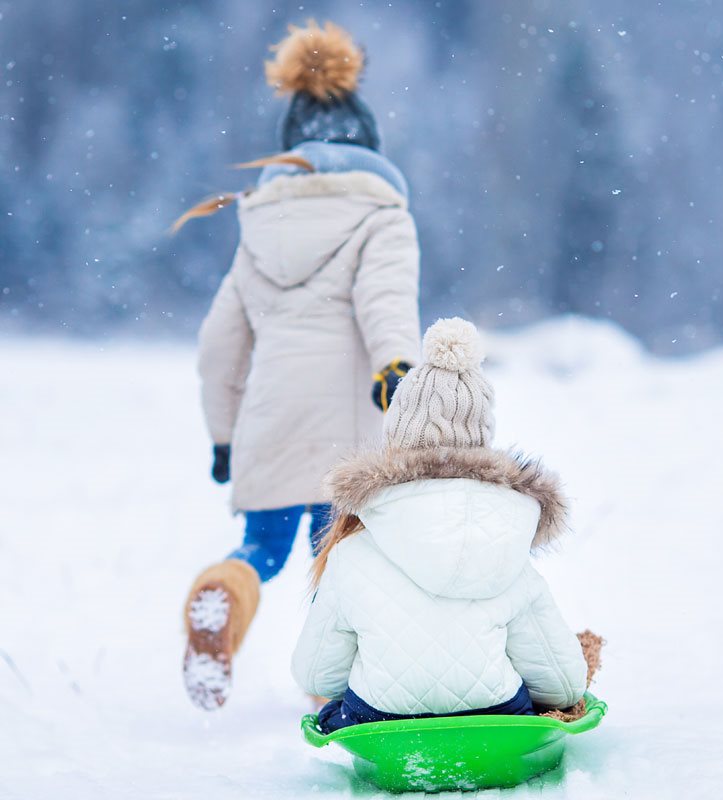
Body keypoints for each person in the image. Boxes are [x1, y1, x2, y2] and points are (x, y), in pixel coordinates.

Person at [175, 20, 421, 710]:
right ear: (370, 149)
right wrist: (396, 364)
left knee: (263, 550)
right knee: (340, 559)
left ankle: (224, 590)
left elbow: (218, 348)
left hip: (271, 421)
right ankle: (334, 691)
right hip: (349, 428)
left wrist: (224, 437)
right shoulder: (383, 216)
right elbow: (386, 300)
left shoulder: (257, 224)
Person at [291, 318, 587, 732]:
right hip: (494, 719)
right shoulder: (510, 541)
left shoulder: (352, 549)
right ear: (482, 439)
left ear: (397, 434)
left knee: (332, 710)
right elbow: (563, 682)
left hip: (381, 720)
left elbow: (317, 676)